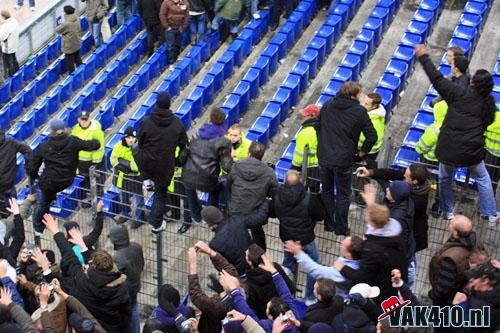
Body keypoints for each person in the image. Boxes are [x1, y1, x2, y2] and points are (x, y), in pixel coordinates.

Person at [415, 44, 498, 226]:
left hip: (449, 149)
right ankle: (491, 214)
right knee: (483, 179)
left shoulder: (458, 93)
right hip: (471, 151)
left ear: (473, 82)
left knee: (445, 178)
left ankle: (447, 211)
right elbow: (487, 122)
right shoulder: (488, 103)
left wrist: (423, 57)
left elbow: (436, 79)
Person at [44, 215, 132, 333]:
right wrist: (83, 247)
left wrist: (56, 232)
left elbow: (70, 257)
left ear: (94, 266)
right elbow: (126, 315)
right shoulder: (121, 288)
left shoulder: (83, 283)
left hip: (92, 327)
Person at [317, 81, 377, 235]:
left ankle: (329, 223)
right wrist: (362, 153)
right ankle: (341, 227)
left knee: (327, 191)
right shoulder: (359, 111)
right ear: (353, 95)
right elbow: (372, 136)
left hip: (324, 156)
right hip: (343, 160)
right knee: (344, 194)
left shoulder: (328, 104)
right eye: (359, 94)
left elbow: (318, 126)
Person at [334, 184, 407, 305]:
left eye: (368, 216)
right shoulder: (393, 231)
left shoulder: (372, 249)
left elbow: (362, 276)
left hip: (382, 292)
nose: (366, 216)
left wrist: (342, 267)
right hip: (396, 281)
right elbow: (377, 219)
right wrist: (371, 204)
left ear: (372, 222)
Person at [29, 119, 100, 235]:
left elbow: (32, 167)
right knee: (48, 194)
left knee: (42, 203)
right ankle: (50, 204)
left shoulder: (43, 146)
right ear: (64, 130)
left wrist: (35, 176)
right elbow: (94, 145)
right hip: (67, 180)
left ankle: (38, 228)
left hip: (49, 183)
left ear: (51, 131)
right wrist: (96, 138)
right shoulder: (73, 141)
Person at [135, 91, 188, 233]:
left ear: (156, 104)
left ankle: (146, 180)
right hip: (165, 167)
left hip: (147, 165)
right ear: (169, 104)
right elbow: (184, 144)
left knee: (155, 189)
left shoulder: (146, 122)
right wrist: (176, 160)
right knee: (160, 194)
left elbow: (140, 143)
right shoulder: (177, 123)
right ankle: (155, 223)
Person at [269, 170, 324, 303]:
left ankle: (284, 292)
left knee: (287, 264)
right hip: (306, 239)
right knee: (313, 266)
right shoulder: (309, 198)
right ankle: (310, 298)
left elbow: (272, 212)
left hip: (287, 238)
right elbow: (320, 215)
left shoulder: (277, 196)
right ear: (300, 182)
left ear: (285, 182)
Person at [356, 163, 430, 253]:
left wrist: (371, 204)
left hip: (409, 241)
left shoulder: (413, 202)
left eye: (406, 176)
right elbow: (393, 174)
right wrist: (371, 172)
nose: (403, 176)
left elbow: (382, 216)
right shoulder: (414, 185)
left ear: (414, 181)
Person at [181, 108, 232, 223]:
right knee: (216, 188)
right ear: (223, 122)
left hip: (188, 173)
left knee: (189, 187)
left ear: (209, 119)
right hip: (208, 178)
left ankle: (196, 214)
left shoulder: (197, 134)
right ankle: (209, 215)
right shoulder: (224, 141)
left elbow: (185, 154)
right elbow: (227, 167)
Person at [227, 141, 278, 250]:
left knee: (237, 234)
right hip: (255, 214)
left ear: (249, 153)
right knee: (257, 231)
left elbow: (228, 185)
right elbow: (274, 192)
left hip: (236, 211)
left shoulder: (236, 166)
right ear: (262, 156)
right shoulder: (269, 172)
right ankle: (261, 256)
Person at [284, 236, 363, 300]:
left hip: (338, 300)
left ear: (349, 254)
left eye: (343, 245)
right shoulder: (357, 259)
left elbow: (318, 271)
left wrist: (298, 253)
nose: (341, 243)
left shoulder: (341, 273)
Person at [428, 215, 482, 307]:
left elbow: (443, 287)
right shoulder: (475, 240)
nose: (449, 224)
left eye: (451, 224)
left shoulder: (450, 259)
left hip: (448, 300)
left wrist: (432, 295)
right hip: (462, 292)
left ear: (456, 233)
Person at [187, 243, 239, 333]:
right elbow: (228, 269)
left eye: (223, 279)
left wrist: (193, 264)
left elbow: (196, 296)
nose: (221, 276)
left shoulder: (217, 306)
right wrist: (209, 251)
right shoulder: (242, 289)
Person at [204, 202, 269, 275]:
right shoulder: (237, 220)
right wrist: (266, 202)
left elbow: (221, 266)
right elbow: (259, 218)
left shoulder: (214, 244)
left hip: (240, 274)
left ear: (209, 224)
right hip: (256, 263)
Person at [108, 225, 145, 333]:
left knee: (125, 316)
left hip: (124, 292)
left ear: (115, 240)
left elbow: (113, 278)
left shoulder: (117, 257)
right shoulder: (136, 246)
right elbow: (142, 265)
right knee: (134, 309)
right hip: (135, 285)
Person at [243, 244, 296, 318]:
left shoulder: (250, 284)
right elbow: (291, 288)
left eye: (246, 255)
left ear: (250, 262)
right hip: (283, 309)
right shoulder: (275, 268)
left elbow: (252, 308)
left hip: (265, 317)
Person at [384, 181, 416, 290]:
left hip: (401, 257)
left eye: (390, 189)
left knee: (404, 285)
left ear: (395, 196)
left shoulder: (396, 219)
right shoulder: (406, 201)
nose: (387, 189)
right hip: (409, 252)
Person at [110, 127, 144, 228]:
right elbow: (113, 160)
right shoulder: (118, 146)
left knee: (139, 201)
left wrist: (124, 163)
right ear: (125, 137)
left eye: (133, 137)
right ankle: (126, 214)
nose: (131, 140)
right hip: (123, 178)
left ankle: (139, 219)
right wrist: (126, 166)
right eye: (128, 137)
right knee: (123, 198)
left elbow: (138, 166)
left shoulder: (140, 147)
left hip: (136, 179)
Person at [72, 111, 105, 207]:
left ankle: (98, 203)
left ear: (90, 118)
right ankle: (91, 200)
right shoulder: (76, 129)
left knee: (97, 184)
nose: (84, 121)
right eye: (82, 119)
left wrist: (95, 164)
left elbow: (99, 148)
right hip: (81, 163)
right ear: (78, 120)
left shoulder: (95, 130)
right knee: (87, 183)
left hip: (93, 163)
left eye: (86, 119)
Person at [0, 130, 31, 218]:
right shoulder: (10, 141)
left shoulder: (10, 141)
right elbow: (27, 150)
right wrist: (28, 166)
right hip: (10, 182)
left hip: (6, 184)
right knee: (13, 208)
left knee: (5, 214)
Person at [291, 104, 321, 193]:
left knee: (302, 193)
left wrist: (294, 169)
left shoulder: (305, 133)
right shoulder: (323, 127)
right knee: (315, 192)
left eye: (305, 114)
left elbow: (298, 157)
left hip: (308, 169)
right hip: (320, 167)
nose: (303, 116)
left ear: (312, 116)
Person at [358, 92, 385, 168]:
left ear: (375, 106)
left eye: (366, 104)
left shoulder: (371, 120)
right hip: (372, 150)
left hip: (366, 151)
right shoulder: (379, 113)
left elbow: (364, 138)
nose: (363, 105)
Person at [159, 0, 189, 65]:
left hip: (179, 28)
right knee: (171, 46)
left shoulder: (185, 2)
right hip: (170, 29)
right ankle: (171, 63)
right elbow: (162, 15)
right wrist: (166, 26)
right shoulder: (166, 2)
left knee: (178, 44)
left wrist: (183, 26)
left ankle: (176, 57)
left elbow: (186, 15)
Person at [56, 6, 82, 74]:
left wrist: (62, 20)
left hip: (69, 45)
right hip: (77, 42)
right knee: (78, 58)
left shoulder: (66, 23)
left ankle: (73, 76)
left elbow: (58, 30)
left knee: (70, 62)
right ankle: (81, 73)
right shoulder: (76, 17)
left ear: (66, 13)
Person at [484, 106, 500, 193]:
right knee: (493, 181)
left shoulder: (493, 113)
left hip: (490, 154)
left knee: (488, 180)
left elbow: (484, 131)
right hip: (491, 153)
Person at [0, 10, 19, 78]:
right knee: (14, 60)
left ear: (3, 16)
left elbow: (1, 37)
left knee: (8, 64)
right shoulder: (14, 21)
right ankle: (17, 74)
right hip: (14, 45)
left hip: (7, 48)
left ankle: (12, 77)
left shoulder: (6, 26)